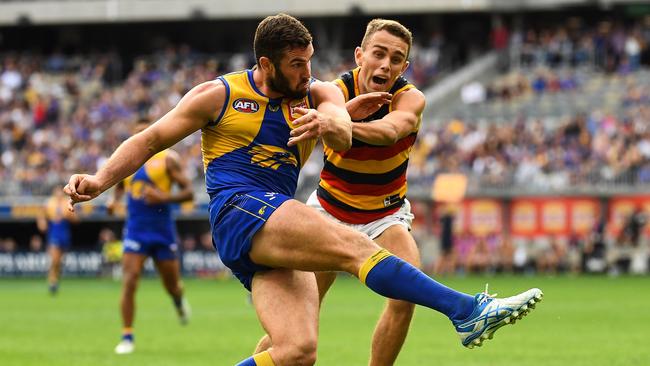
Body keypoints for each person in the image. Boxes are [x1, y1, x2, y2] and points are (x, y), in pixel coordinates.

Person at [65, 14, 542, 365]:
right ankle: (466, 311)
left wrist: (335, 121)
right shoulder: (221, 95)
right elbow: (150, 138)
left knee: (296, 352)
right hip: (239, 209)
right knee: (356, 248)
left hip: (273, 223)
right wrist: (99, 180)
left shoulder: (316, 93)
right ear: (267, 64)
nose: (307, 73)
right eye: (296, 65)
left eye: (310, 62)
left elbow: (336, 117)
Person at [107, 119, 195, 355]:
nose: (140, 136)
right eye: (136, 132)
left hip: (162, 230)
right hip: (136, 229)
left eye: (144, 131)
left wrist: (164, 198)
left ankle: (178, 300)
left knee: (172, 285)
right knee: (130, 279)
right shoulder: (126, 161)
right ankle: (127, 335)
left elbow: (189, 192)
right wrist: (113, 202)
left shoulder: (167, 158)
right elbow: (118, 187)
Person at [37, 185, 78, 295]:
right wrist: (42, 223)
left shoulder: (67, 203)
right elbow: (41, 215)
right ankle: (52, 282)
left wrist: (69, 216)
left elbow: (76, 219)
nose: (59, 193)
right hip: (54, 231)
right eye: (57, 191)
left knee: (59, 260)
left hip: (64, 231)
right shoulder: (49, 203)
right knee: (54, 259)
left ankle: (55, 279)